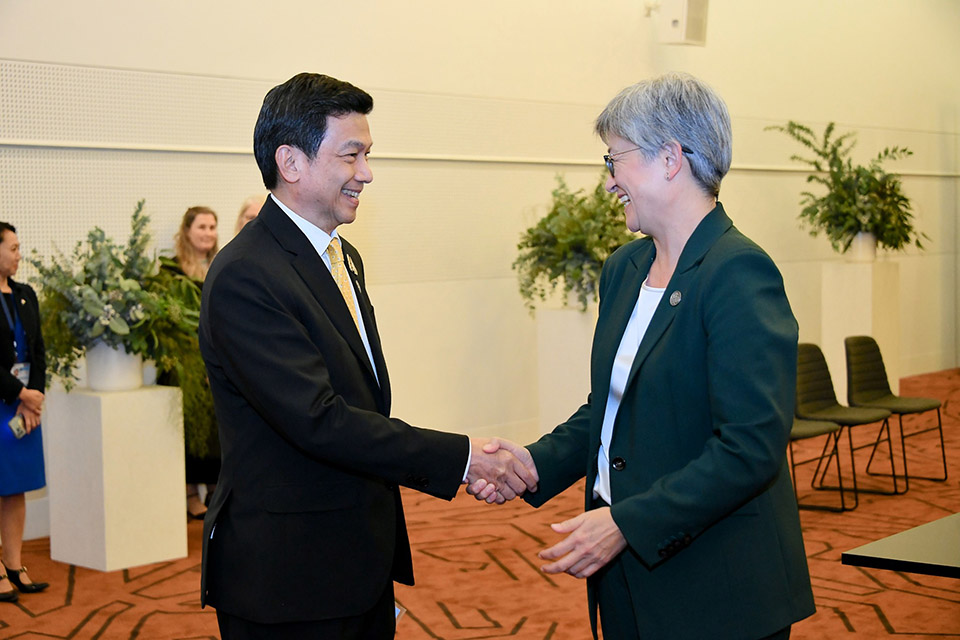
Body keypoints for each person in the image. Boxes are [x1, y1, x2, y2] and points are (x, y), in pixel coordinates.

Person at [198, 72, 536, 639]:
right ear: (291, 162)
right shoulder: (246, 274)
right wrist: (462, 459)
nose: (367, 173)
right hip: (290, 577)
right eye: (351, 155)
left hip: (355, 558)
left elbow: (361, 400)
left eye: (368, 155)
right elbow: (319, 419)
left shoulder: (341, 255)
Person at [477, 73, 815, 639]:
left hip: (715, 585)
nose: (610, 181)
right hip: (626, 570)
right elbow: (611, 408)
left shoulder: (737, 271)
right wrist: (537, 463)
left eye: (615, 160)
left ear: (670, 159)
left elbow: (750, 447)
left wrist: (627, 523)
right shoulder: (625, 268)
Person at [0, 222, 49, 602]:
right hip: (5, 402)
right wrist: (19, 393)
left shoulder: (25, 294)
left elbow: (39, 351)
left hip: (24, 408)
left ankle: (14, 565)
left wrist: (35, 397)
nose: (19, 254)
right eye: (13, 248)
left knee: (14, 489)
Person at [169, 207, 220, 519]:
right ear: (187, 231)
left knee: (218, 429)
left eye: (212, 227)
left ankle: (216, 488)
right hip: (185, 363)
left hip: (216, 359)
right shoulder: (173, 271)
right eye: (202, 227)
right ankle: (190, 493)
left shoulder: (221, 265)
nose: (208, 233)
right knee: (191, 429)